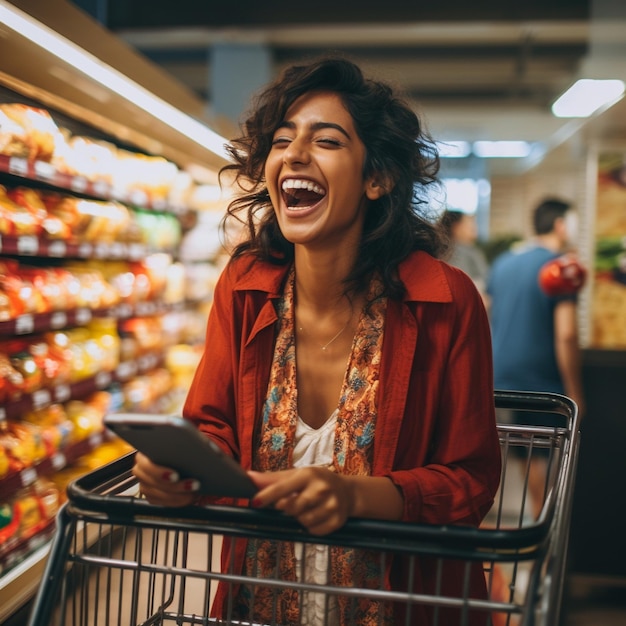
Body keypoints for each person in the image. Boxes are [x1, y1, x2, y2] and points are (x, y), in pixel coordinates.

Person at [133, 57, 501, 625]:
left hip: (403, 603)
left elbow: (471, 481)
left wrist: (356, 496)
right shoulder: (245, 285)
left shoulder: (445, 300)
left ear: (378, 179)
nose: (294, 154)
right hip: (258, 597)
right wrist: (181, 471)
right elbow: (212, 428)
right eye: (282, 140)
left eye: (326, 140)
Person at [487, 197, 585, 518]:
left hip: (501, 379)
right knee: (546, 462)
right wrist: (574, 392)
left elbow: (486, 313)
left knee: (523, 460)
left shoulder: (503, 263)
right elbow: (567, 334)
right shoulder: (562, 267)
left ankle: (527, 530)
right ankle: (541, 538)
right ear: (561, 225)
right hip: (542, 383)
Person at [440, 209, 490, 303]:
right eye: (470, 224)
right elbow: (462, 284)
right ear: (456, 227)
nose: (475, 227)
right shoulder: (457, 252)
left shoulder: (450, 249)